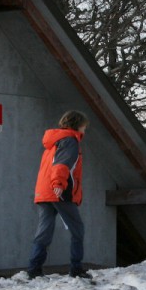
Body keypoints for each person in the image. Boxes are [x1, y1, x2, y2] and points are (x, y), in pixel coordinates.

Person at [27, 110, 91, 279]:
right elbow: (62, 164)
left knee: (44, 231)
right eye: (84, 126)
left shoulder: (53, 142)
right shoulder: (70, 140)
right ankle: (76, 269)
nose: (85, 130)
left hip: (44, 191)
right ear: (78, 125)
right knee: (77, 229)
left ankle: (34, 269)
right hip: (59, 191)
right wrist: (59, 184)